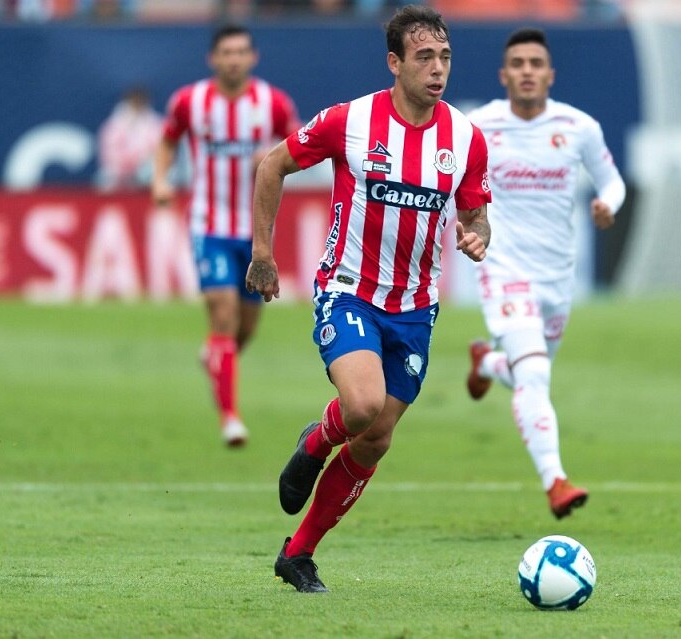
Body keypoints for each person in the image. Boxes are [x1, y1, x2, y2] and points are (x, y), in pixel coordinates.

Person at [246, 4, 491, 593]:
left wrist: (478, 234)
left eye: (445, 57)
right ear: (394, 63)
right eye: (424, 57)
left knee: (377, 436)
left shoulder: (466, 137)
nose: (438, 69)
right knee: (361, 407)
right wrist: (262, 252)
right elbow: (272, 165)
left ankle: (298, 554)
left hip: (416, 307)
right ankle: (315, 443)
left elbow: (476, 212)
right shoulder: (351, 121)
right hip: (350, 290)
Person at [464, 27, 626, 519]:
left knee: (530, 372)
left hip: (557, 277)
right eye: (518, 64)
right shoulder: (478, 126)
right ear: (504, 74)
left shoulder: (578, 127)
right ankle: (556, 481)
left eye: (536, 63)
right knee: (534, 374)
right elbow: (444, 178)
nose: (527, 71)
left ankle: (486, 364)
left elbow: (613, 181)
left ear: (550, 74)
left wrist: (608, 205)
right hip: (503, 268)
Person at [153, 24, 301, 447]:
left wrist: (274, 155)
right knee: (223, 315)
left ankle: (216, 357)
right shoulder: (190, 101)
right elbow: (167, 142)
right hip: (209, 224)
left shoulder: (273, 103)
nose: (233, 59)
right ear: (213, 59)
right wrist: (160, 180)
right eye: (226, 52)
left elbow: (298, 144)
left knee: (245, 328)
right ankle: (231, 418)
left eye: (240, 52)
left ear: (252, 57)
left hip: (256, 232)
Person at [97, 86, 163, 191]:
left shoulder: (155, 123)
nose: (137, 105)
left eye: (140, 102)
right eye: (134, 102)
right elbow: (109, 151)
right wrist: (125, 166)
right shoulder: (114, 123)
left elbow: (160, 150)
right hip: (118, 171)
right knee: (103, 179)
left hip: (145, 170)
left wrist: (140, 164)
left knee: (153, 173)